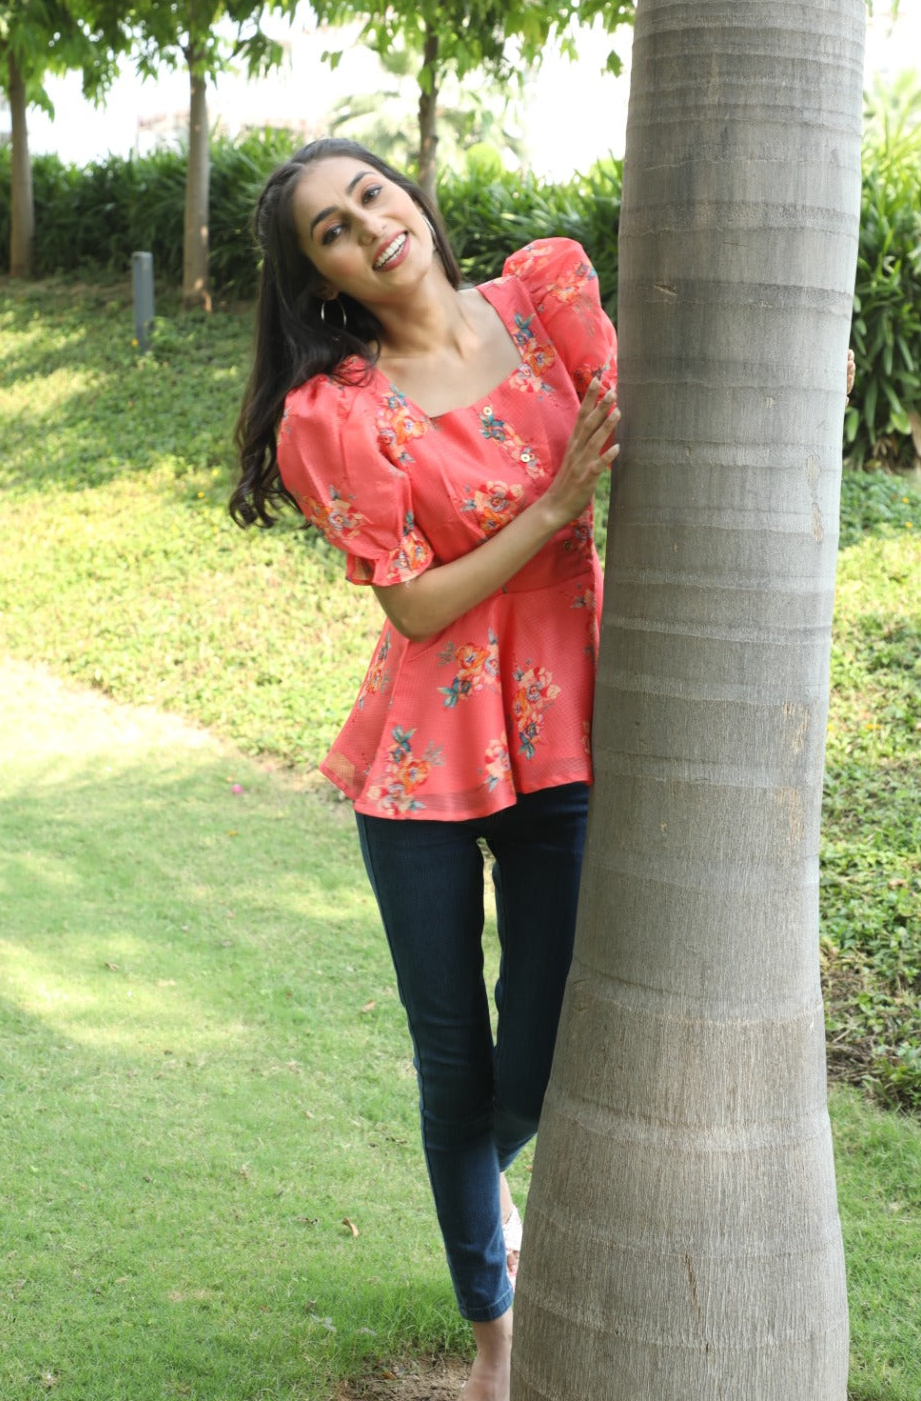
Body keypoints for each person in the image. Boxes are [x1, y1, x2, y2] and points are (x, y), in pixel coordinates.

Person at [229, 138, 619, 1401]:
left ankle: (477, 1187)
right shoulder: (335, 412)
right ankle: (492, 1341)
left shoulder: (544, 304)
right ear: (322, 280)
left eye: (369, 195)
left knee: (542, 1047)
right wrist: (553, 509)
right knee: (454, 1057)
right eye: (330, 232)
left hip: (565, 734)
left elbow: (650, 415)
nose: (367, 226)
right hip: (420, 768)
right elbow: (412, 609)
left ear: (410, 195)